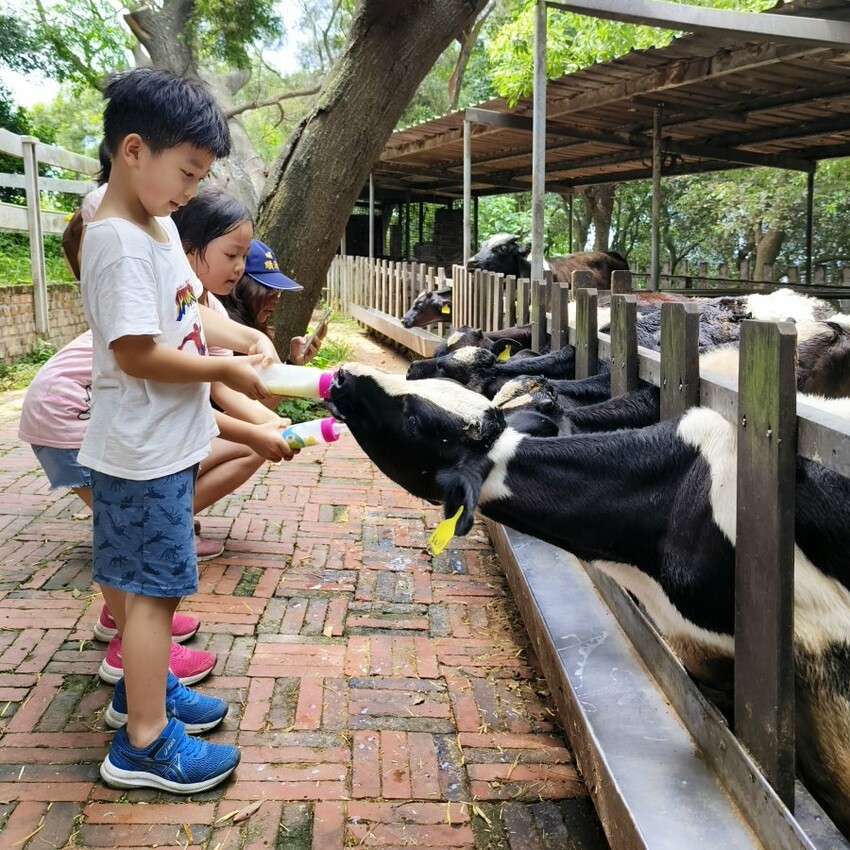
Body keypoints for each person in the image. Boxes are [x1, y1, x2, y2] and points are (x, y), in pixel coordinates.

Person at [78, 67, 277, 793]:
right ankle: (144, 744)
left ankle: (145, 695)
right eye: (187, 171)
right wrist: (235, 378)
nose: (192, 189)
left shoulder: (156, 223)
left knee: (153, 587)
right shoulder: (118, 242)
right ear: (134, 150)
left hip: (160, 443)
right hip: (138, 453)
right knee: (153, 592)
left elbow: (186, 313)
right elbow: (137, 352)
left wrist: (238, 341)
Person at [221, 239, 327, 373]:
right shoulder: (227, 325)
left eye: (278, 290)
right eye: (268, 289)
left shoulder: (249, 324)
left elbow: (266, 386)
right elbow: (261, 389)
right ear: (241, 285)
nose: (276, 299)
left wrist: (293, 361)